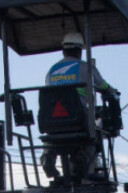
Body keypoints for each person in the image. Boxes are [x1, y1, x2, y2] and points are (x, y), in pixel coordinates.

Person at [40, 32, 119, 179]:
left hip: (52, 125)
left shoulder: (51, 71)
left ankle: (47, 157)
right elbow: (103, 85)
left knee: (53, 136)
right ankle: (80, 165)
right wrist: (113, 91)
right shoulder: (86, 68)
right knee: (94, 135)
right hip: (78, 121)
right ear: (79, 51)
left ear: (63, 51)